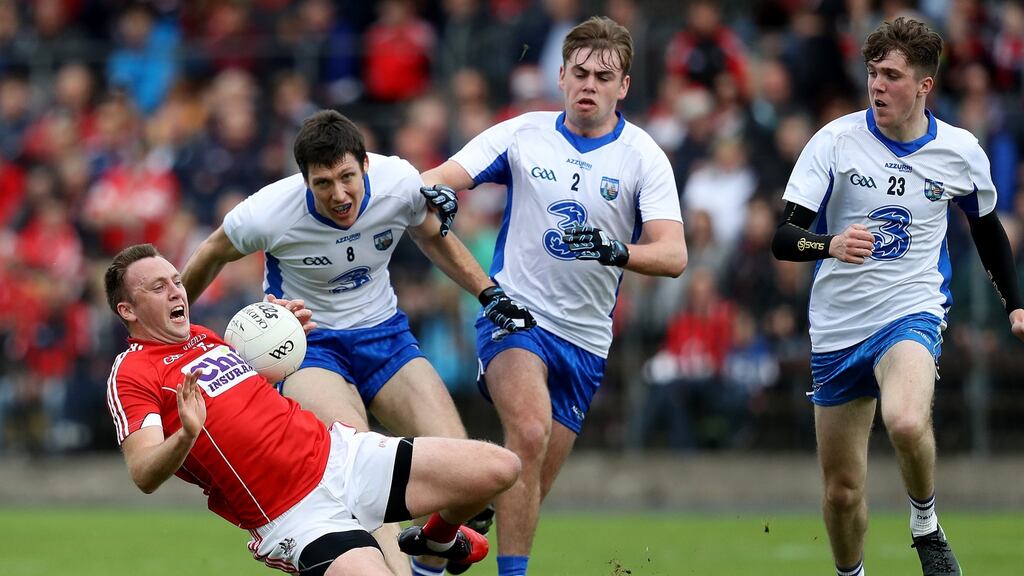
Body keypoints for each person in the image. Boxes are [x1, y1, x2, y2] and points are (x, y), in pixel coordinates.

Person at [181, 110, 535, 575]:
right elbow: (212, 252)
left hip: (386, 337)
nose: (339, 194)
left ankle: (433, 552)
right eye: (323, 182)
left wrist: (487, 293)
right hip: (311, 349)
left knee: (464, 472)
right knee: (366, 474)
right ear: (304, 179)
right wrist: (176, 331)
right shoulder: (267, 211)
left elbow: (434, 238)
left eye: (347, 176)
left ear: (365, 164)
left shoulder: (399, 183)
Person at [420, 16, 687, 576]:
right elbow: (441, 175)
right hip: (515, 316)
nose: (589, 84)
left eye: (603, 76)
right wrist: (437, 191)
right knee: (531, 433)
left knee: (524, 478)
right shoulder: (521, 133)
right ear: (561, 75)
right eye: (580, 72)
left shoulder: (643, 156)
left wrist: (615, 251)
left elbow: (673, 255)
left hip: (587, 340)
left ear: (624, 87)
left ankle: (437, 538)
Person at [771, 17, 1024, 576]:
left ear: (925, 86)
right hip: (838, 328)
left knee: (907, 421)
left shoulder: (960, 152)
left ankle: (926, 522)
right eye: (872, 74)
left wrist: (1015, 303)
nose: (877, 86)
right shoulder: (834, 141)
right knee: (841, 494)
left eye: (891, 75)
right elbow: (783, 237)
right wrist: (830, 243)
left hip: (910, 310)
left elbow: (987, 232)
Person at [104, 243, 522, 576]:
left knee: (500, 468)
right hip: (294, 515)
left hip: (340, 457)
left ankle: (437, 540)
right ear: (127, 310)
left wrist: (279, 332)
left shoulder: (204, 336)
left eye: (175, 281)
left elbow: (245, 397)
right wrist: (185, 435)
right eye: (158, 288)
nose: (177, 291)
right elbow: (143, 473)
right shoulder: (131, 372)